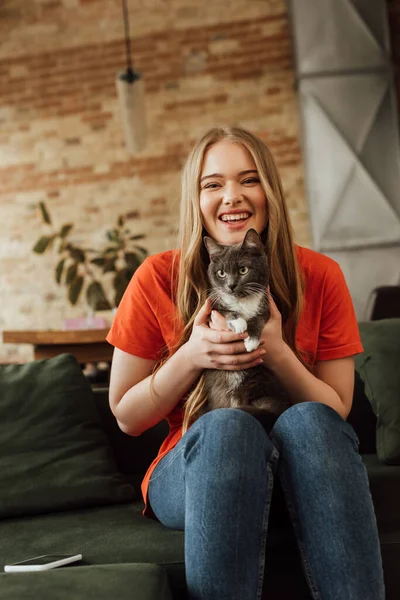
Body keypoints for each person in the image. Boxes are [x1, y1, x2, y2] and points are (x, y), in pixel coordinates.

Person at [106, 126, 385, 600]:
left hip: (305, 461)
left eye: (248, 179)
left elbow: (336, 410)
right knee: (226, 428)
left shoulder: (319, 275)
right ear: (195, 199)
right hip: (202, 467)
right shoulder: (157, 276)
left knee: (313, 421)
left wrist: (277, 351)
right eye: (212, 184)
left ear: (269, 191)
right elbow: (127, 416)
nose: (231, 196)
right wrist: (192, 356)